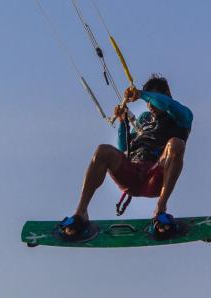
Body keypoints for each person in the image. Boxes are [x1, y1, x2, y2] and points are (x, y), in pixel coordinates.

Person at [60, 74, 193, 240]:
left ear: (165, 94)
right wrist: (123, 123)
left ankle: (160, 210)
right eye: (147, 101)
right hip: (132, 175)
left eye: (152, 99)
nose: (149, 105)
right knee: (103, 151)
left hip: (156, 176)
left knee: (176, 144)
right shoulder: (144, 119)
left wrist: (141, 94)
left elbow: (166, 104)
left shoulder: (183, 116)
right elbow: (124, 149)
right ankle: (80, 214)